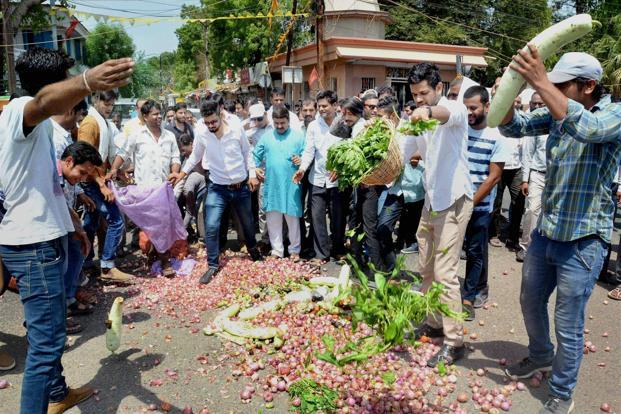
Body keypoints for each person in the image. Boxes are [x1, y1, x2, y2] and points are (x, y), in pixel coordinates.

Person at [0, 46, 133, 414]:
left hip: (45, 240)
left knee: (49, 336)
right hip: (32, 247)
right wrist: (88, 81)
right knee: (45, 346)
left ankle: (58, 394)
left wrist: (72, 226)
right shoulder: (19, 112)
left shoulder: (43, 129)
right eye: (66, 83)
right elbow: (42, 101)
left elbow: (48, 186)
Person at [499, 49, 621, 414]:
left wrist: (538, 80)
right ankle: (540, 355)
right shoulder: (555, 109)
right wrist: (510, 88)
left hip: (583, 241)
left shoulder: (613, 114)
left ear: (589, 86)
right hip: (547, 233)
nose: (551, 89)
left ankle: (562, 391)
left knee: (568, 322)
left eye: (560, 84)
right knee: (529, 301)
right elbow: (511, 126)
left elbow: (588, 129)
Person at [407, 63, 473, 368]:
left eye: (424, 93)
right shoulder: (415, 118)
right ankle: (433, 323)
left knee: (446, 274)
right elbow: (403, 148)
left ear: (439, 90)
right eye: (415, 95)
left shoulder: (452, 110)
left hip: (454, 200)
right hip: (431, 201)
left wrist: (428, 113)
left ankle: (454, 341)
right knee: (426, 268)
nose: (419, 99)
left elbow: (445, 116)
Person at [168, 100, 262, 284]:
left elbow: (247, 152)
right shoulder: (203, 133)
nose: (210, 125)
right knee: (211, 226)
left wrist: (252, 174)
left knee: (249, 225)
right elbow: (195, 156)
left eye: (213, 122)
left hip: (240, 186)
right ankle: (212, 264)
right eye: (207, 122)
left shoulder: (236, 128)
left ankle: (254, 252)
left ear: (220, 114)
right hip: (217, 188)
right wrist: (182, 174)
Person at [111, 99, 181, 277]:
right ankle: (155, 256)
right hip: (144, 190)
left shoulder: (169, 136)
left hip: (163, 189)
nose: (159, 117)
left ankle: (165, 262)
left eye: (160, 114)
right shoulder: (137, 135)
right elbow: (123, 153)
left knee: (163, 226)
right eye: (154, 114)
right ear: (144, 116)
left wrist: (174, 172)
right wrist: (113, 169)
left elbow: (175, 158)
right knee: (150, 228)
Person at [460, 86, 508, 320]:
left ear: (487, 106)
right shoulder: (459, 130)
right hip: (455, 202)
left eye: (473, 108)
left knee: (475, 251)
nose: (468, 112)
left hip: (479, 207)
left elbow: (493, 177)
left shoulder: (497, 136)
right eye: (465, 107)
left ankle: (469, 297)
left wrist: (470, 203)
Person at [78, 90, 133, 282]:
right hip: (91, 182)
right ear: (96, 100)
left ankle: (85, 263)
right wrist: (101, 184)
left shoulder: (104, 122)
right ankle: (107, 266)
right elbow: (83, 158)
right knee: (116, 220)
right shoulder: (90, 123)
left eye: (111, 104)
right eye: (106, 104)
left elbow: (108, 154)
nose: (109, 108)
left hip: (98, 179)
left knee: (91, 222)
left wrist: (117, 170)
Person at [51, 100, 97, 330]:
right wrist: (79, 229)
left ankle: (63, 306)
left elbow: (67, 188)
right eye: (81, 172)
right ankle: (53, 320)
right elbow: (58, 198)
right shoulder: (54, 141)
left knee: (70, 257)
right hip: (54, 222)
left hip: (64, 216)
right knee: (56, 269)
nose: (82, 177)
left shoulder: (66, 140)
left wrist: (79, 194)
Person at [294, 90, 349, 265]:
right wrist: (302, 168)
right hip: (317, 178)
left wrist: (341, 168)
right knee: (316, 217)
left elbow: (350, 149)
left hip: (338, 179)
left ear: (335, 105)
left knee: (338, 217)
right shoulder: (313, 126)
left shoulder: (345, 123)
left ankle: (338, 249)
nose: (321, 109)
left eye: (325, 106)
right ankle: (321, 254)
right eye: (320, 106)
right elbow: (309, 150)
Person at [376, 96, 425, 271]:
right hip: (395, 191)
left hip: (416, 190)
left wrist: (414, 155)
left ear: (392, 116)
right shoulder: (382, 133)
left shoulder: (409, 129)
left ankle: (427, 277)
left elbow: (426, 147)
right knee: (383, 227)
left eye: (382, 117)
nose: (379, 120)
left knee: (419, 236)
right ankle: (390, 269)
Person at [253, 105, 305, 259]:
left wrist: (300, 160)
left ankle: (295, 250)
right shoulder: (267, 137)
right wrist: (255, 169)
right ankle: (277, 251)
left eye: (283, 123)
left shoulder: (298, 136)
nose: (280, 126)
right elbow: (255, 156)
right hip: (272, 185)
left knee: (292, 218)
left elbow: (306, 156)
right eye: (277, 123)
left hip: (291, 184)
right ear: (273, 122)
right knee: (273, 219)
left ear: (288, 120)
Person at [516, 92, 547, 262]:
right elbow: (527, 155)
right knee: (532, 210)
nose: (537, 107)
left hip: (555, 178)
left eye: (541, 104)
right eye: (534, 104)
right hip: (537, 174)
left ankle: (542, 249)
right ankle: (525, 247)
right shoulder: (534, 127)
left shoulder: (553, 122)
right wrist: (525, 180)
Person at [176, 133, 207, 242]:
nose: (182, 153)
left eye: (183, 150)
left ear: (191, 144)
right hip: (194, 190)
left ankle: (202, 237)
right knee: (193, 211)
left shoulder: (202, 152)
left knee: (200, 212)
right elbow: (181, 180)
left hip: (208, 185)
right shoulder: (186, 160)